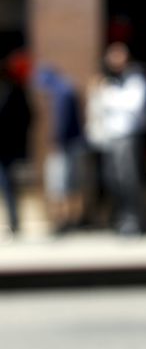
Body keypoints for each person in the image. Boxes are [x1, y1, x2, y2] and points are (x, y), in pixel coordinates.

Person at [86, 42, 146, 236]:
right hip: (110, 137)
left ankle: (136, 220)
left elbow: (134, 105)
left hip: (128, 136)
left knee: (130, 180)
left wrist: (109, 97)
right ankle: (120, 219)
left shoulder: (135, 77)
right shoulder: (106, 80)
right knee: (113, 180)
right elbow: (97, 106)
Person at [36, 67, 85, 234]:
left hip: (64, 146)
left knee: (60, 185)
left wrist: (56, 141)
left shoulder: (61, 93)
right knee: (73, 184)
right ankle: (74, 219)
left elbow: (62, 122)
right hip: (74, 145)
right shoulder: (68, 89)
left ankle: (63, 220)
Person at [0, 56, 31, 236]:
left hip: (9, 147)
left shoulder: (16, 91)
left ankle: (14, 223)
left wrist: (19, 140)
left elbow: (28, 116)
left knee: (8, 185)